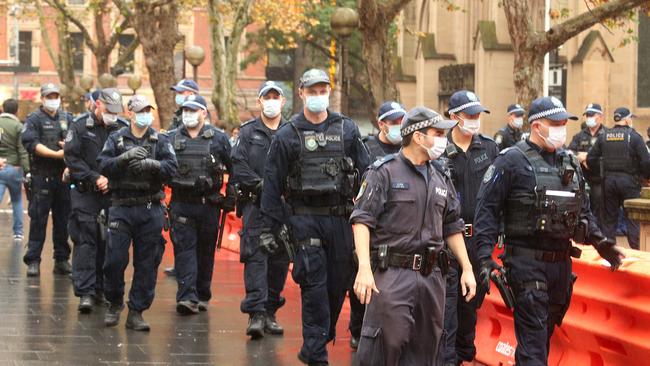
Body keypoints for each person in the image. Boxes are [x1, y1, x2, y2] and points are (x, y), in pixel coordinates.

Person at [474, 96, 625, 365]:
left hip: (561, 269)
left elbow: (583, 212)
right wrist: (484, 258)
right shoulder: (510, 161)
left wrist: (601, 242)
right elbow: (486, 209)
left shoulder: (569, 162)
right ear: (536, 126)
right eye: (555, 123)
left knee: (540, 340)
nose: (561, 129)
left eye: (564, 123)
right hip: (526, 265)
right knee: (534, 347)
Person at [260, 68, 370, 365]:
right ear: (301, 93)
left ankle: (315, 342)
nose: (319, 96)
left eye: (323, 91)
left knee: (337, 288)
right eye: (313, 91)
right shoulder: (287, 135)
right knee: (315, 289)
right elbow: (272, 184)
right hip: (304, 220)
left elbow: (368, 174)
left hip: (340, 221)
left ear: (329, 92)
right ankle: (317, 353)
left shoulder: (347, 130)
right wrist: (268, 229)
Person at [351, 106, 476, 366]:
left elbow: (452, 224)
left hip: (432, 277)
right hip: (393, 274)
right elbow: (362, 219)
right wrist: (364, 268)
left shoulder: (441, 175)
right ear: (418, 137)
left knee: (426, 350)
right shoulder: (383, 172)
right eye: (437, 132)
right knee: (386, 346)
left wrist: (467, 267)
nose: (443, 138)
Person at [97, 94, 178, 331]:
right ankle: (114, 302)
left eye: (148, 110)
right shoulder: (116, 138)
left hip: (150, 207)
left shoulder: (159, 140)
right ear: (130, 113)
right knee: (114, 261)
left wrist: (152, 165)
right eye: (141, 110)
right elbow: (103, 164)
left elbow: (172, 169)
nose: (146, 115)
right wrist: (124, 159)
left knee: (147, 263)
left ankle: (137, 311)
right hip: (121, 207)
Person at [442, 90, 498, 366]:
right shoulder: (439, 149)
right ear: (454, 117)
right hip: (448, 242)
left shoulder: (488, 148)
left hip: (478, 242)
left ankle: (463, 354)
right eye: (470, 115)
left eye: (478, 115)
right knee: (447, 310)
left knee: (470, 308)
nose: (476, 120)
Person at [231, 81, 290, 339]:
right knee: (256, 257)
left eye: (276, 97)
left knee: (279, 259)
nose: (271, 101)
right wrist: (262, 185)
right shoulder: (248, 132)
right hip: (256, 205)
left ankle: (270, 311)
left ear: (283, 101)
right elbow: (238, 165)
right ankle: (255, 313)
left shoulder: (291, 131)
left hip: (283, 207)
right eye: (267, 97)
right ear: (259, 101)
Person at [167, 94, 235, 314]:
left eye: (193, 110)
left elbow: (236, 167)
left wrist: (230, 197)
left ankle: (202, 293)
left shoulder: (219, 139)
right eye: (185, 111)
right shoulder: (171, 138)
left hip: (209, 205)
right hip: (181, 204)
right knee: (184, 250)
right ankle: (187, 296)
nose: (187, 115)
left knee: (205, 252)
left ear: (203, 113)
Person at [347, 100, 407, 350]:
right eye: (393, 122)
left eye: (401, 121)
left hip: (397, 225)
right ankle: (358, 328)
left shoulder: (407, 148)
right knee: (363, 275)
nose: (398, 126)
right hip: (370, 220)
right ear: (381, 124)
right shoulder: (367, 148)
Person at [64, 88, 129, 313]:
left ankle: (103, 288)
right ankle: (86, 292)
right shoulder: (80, 126)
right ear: (98, 104)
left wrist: (111, 180)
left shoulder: (122, 128)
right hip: (86, 192)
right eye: (109, 109)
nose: (112, 114)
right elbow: (72, 158)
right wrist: (95, 177)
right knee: (85, 241)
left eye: (116, 111)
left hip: (113, 193)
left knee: (109, 242)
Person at [21, 83, 73, 277]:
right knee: (38, 220)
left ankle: (61, 259)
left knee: (63, 220)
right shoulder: (34, 119)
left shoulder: (67, 118)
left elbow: (75, 142)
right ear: (42, 99)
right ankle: (33, 260)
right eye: (49, 96)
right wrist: (56, 154)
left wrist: (67, 150)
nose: (53, 100)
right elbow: (31, 144)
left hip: (63, 177)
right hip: (41, 176)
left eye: (56, 96)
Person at [587, 107, 650, 250]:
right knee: (633, 221)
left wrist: (601, 174)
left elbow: (591, 159)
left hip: (608, 182)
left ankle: (609, 255)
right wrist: (645, 177)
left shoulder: (604, 136)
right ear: (627, 119)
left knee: (609, 221)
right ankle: (637, 255)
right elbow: (646, 162)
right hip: (630, 183)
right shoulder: (634, 137)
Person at [568, 103, 606, 227]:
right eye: (587, 115)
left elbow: (608, 155)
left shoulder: (606, 135)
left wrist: (588, 157)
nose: (588, 118)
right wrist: (582, 158)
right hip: (583, 179)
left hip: (600, 179)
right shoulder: (579, 136)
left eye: (591, 115)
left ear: (600, 117)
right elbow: (570, 152)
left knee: (599, 211)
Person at [0, 98, 29, 244]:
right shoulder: (18, 126)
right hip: (15, 168)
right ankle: (18, 233)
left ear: (2, 109)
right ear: (17, 110)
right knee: (17, 200)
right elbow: (22, 150)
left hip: (0, 167)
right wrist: (27, 170)